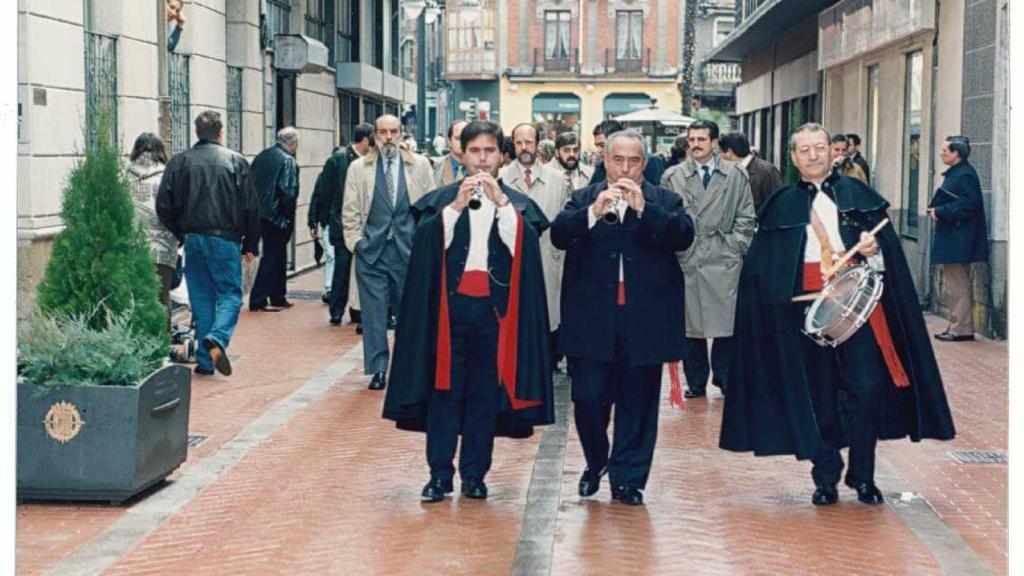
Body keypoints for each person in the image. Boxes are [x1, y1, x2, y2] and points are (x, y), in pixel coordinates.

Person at [720, 123, 956, 506]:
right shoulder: (780, 204)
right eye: (804, 150)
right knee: (818, 396)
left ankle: (862, 476)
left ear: (833, 152)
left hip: (858, 313)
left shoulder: (859, 197)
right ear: (794, 158)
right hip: (802, 314)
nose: (813, 155)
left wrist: (871, 249)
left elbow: (886, 260)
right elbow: (764, 269)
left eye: (819, 147)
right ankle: (825, 475)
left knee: (866, 390)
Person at [384, 120, 554, 503]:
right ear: (462, 153)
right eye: (475, 151)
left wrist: (503, 205)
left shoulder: (516, 203)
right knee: (444, 392)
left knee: (483, 396)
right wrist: (456, 207)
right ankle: (439, 475)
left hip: (494, 315)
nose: (482, 160)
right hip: (449, 313)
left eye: (490, 151)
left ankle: (475, 475)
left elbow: (524, 245)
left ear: (501, 155)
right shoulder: (441, 199)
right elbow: (426, 246)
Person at [553, 130, 695, 506]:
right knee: (587, 398)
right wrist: (593, 212)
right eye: (618, 160)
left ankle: (628, 480)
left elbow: (684, 235)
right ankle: (597, 460)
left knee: (639, 403)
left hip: (644, 321)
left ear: (644, 165)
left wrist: (645, 210)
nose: (625, 168)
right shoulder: (585, 196)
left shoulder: (664, 199)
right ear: (605, 160)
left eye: (634, 161)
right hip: (592, 321)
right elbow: (558, 235)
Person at [156, 110, 260, 376]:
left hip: (193, 237)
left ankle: (205, 360)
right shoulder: (235, 161)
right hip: (225, 238)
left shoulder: (179, 162)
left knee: (201, 298)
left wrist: (182, 233)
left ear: (197, 132)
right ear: (221, 132)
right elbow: (251, 206)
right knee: (230, 294)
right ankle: (217, 338)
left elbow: (163, 205)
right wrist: (250, 243)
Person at [661, 120, 755, 398]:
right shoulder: (672, 176)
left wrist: (735, 245)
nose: (696, 145)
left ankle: (724, 377)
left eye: (702, 139)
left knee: (726, 324)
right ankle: (697, 380)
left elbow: (746, 215)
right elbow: (664, 216)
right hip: (687, 256)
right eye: (691, 140)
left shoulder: (736, 175)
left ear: (714, 142)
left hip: (722, 255)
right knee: (691, 324)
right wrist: (676, 247)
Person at [343, 115, 436, 391]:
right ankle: (378, 369)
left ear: (401, 133)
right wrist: (356, 244)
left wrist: (425, 245)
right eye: (382, 132)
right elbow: (349, 210)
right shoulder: (359, 168)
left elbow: (430, 207)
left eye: (393, 132)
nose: (388, 137)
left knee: (410, 314)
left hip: (408, 253)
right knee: (373, 316)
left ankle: (408, 368)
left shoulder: (419, 166)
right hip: (371, 253)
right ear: (375, 136)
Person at [500, 124, 566, 371]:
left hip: (548, 258)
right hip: (512, 260)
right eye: (519, 142)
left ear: (538, 144)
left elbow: (562, 222)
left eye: (529, 142)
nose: (524, 147)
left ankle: (546, 366)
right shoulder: (502, 178)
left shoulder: (558, 180)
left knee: (547, 318)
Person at [928, 135, 988, 342]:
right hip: (955, 237)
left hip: (959, 239)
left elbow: (969, 205)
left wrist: (940, 211)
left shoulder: (965, 175)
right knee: (955, 284)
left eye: (946, 150)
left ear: (957, 153)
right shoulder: (959, 173)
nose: (942, 152)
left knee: (958, 285)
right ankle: (957, 325)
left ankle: (961, 328)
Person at [318, 123, 374, 325]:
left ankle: (357, 311)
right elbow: (325, 191)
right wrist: (324, 220)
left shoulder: (371, 162)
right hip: (342, 224)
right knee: (342, 269)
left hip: (365, 226)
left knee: (362, 271)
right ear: (366, 140)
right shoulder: (338, 160)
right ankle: (336, 310)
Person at [129, 133, 178, 333]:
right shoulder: (168, 175)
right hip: (163, 247)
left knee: (135, 297)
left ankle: (136, 342)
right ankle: (160, 344)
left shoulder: (122, 174)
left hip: (132, 246)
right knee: (161, 297)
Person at [248, 127, 300, 312]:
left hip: (260, 213)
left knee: (278, 255)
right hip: (276, 216)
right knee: (271, 256)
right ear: (293, 143)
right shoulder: (288, 161)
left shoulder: (263, 156)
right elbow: (288, 191)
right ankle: (259, 298)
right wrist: (287, 217)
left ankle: (278, 295)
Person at [718, 130, 781, 213]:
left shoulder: (767, 171)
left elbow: (777, 206)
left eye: (720, 151)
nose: (719, 156)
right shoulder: (731, 171)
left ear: (729, 152)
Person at [589, 119, 666, 187]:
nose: (598, 150)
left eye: (602, 145)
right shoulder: (601, 166)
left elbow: (658, 196)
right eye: (597, 145)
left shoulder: (652, 162)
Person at [433, 120, 469, 186]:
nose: (462, 142)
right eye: (458, 138)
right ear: (449, 141)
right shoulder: (434, 167)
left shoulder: (480, 168)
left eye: (466, 138)